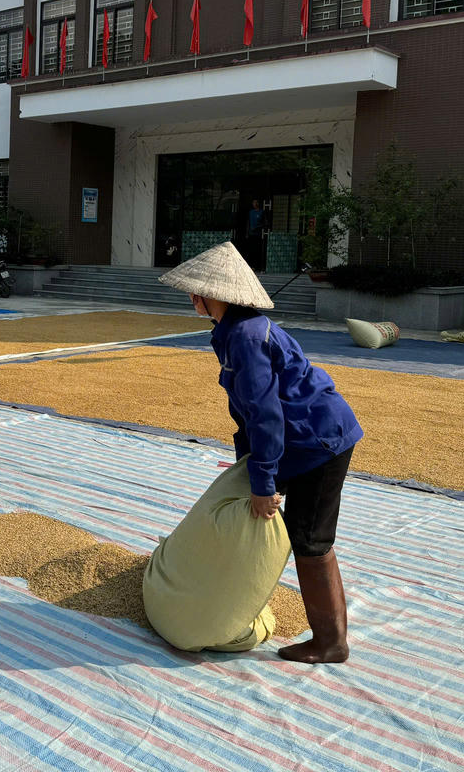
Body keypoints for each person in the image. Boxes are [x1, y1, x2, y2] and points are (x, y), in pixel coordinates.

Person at [159, 240, 362, 664]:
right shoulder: (233, 330)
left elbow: (267, 416)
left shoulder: (247, 338)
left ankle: (330, 643)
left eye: (196, 292)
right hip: (301, 439)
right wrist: (250, 470)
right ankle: (322, 632)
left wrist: (264, 484)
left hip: (317, 441)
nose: (192, 299)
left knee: (310, 541)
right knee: (306, 535)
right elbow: (252, 417)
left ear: (213, 295)